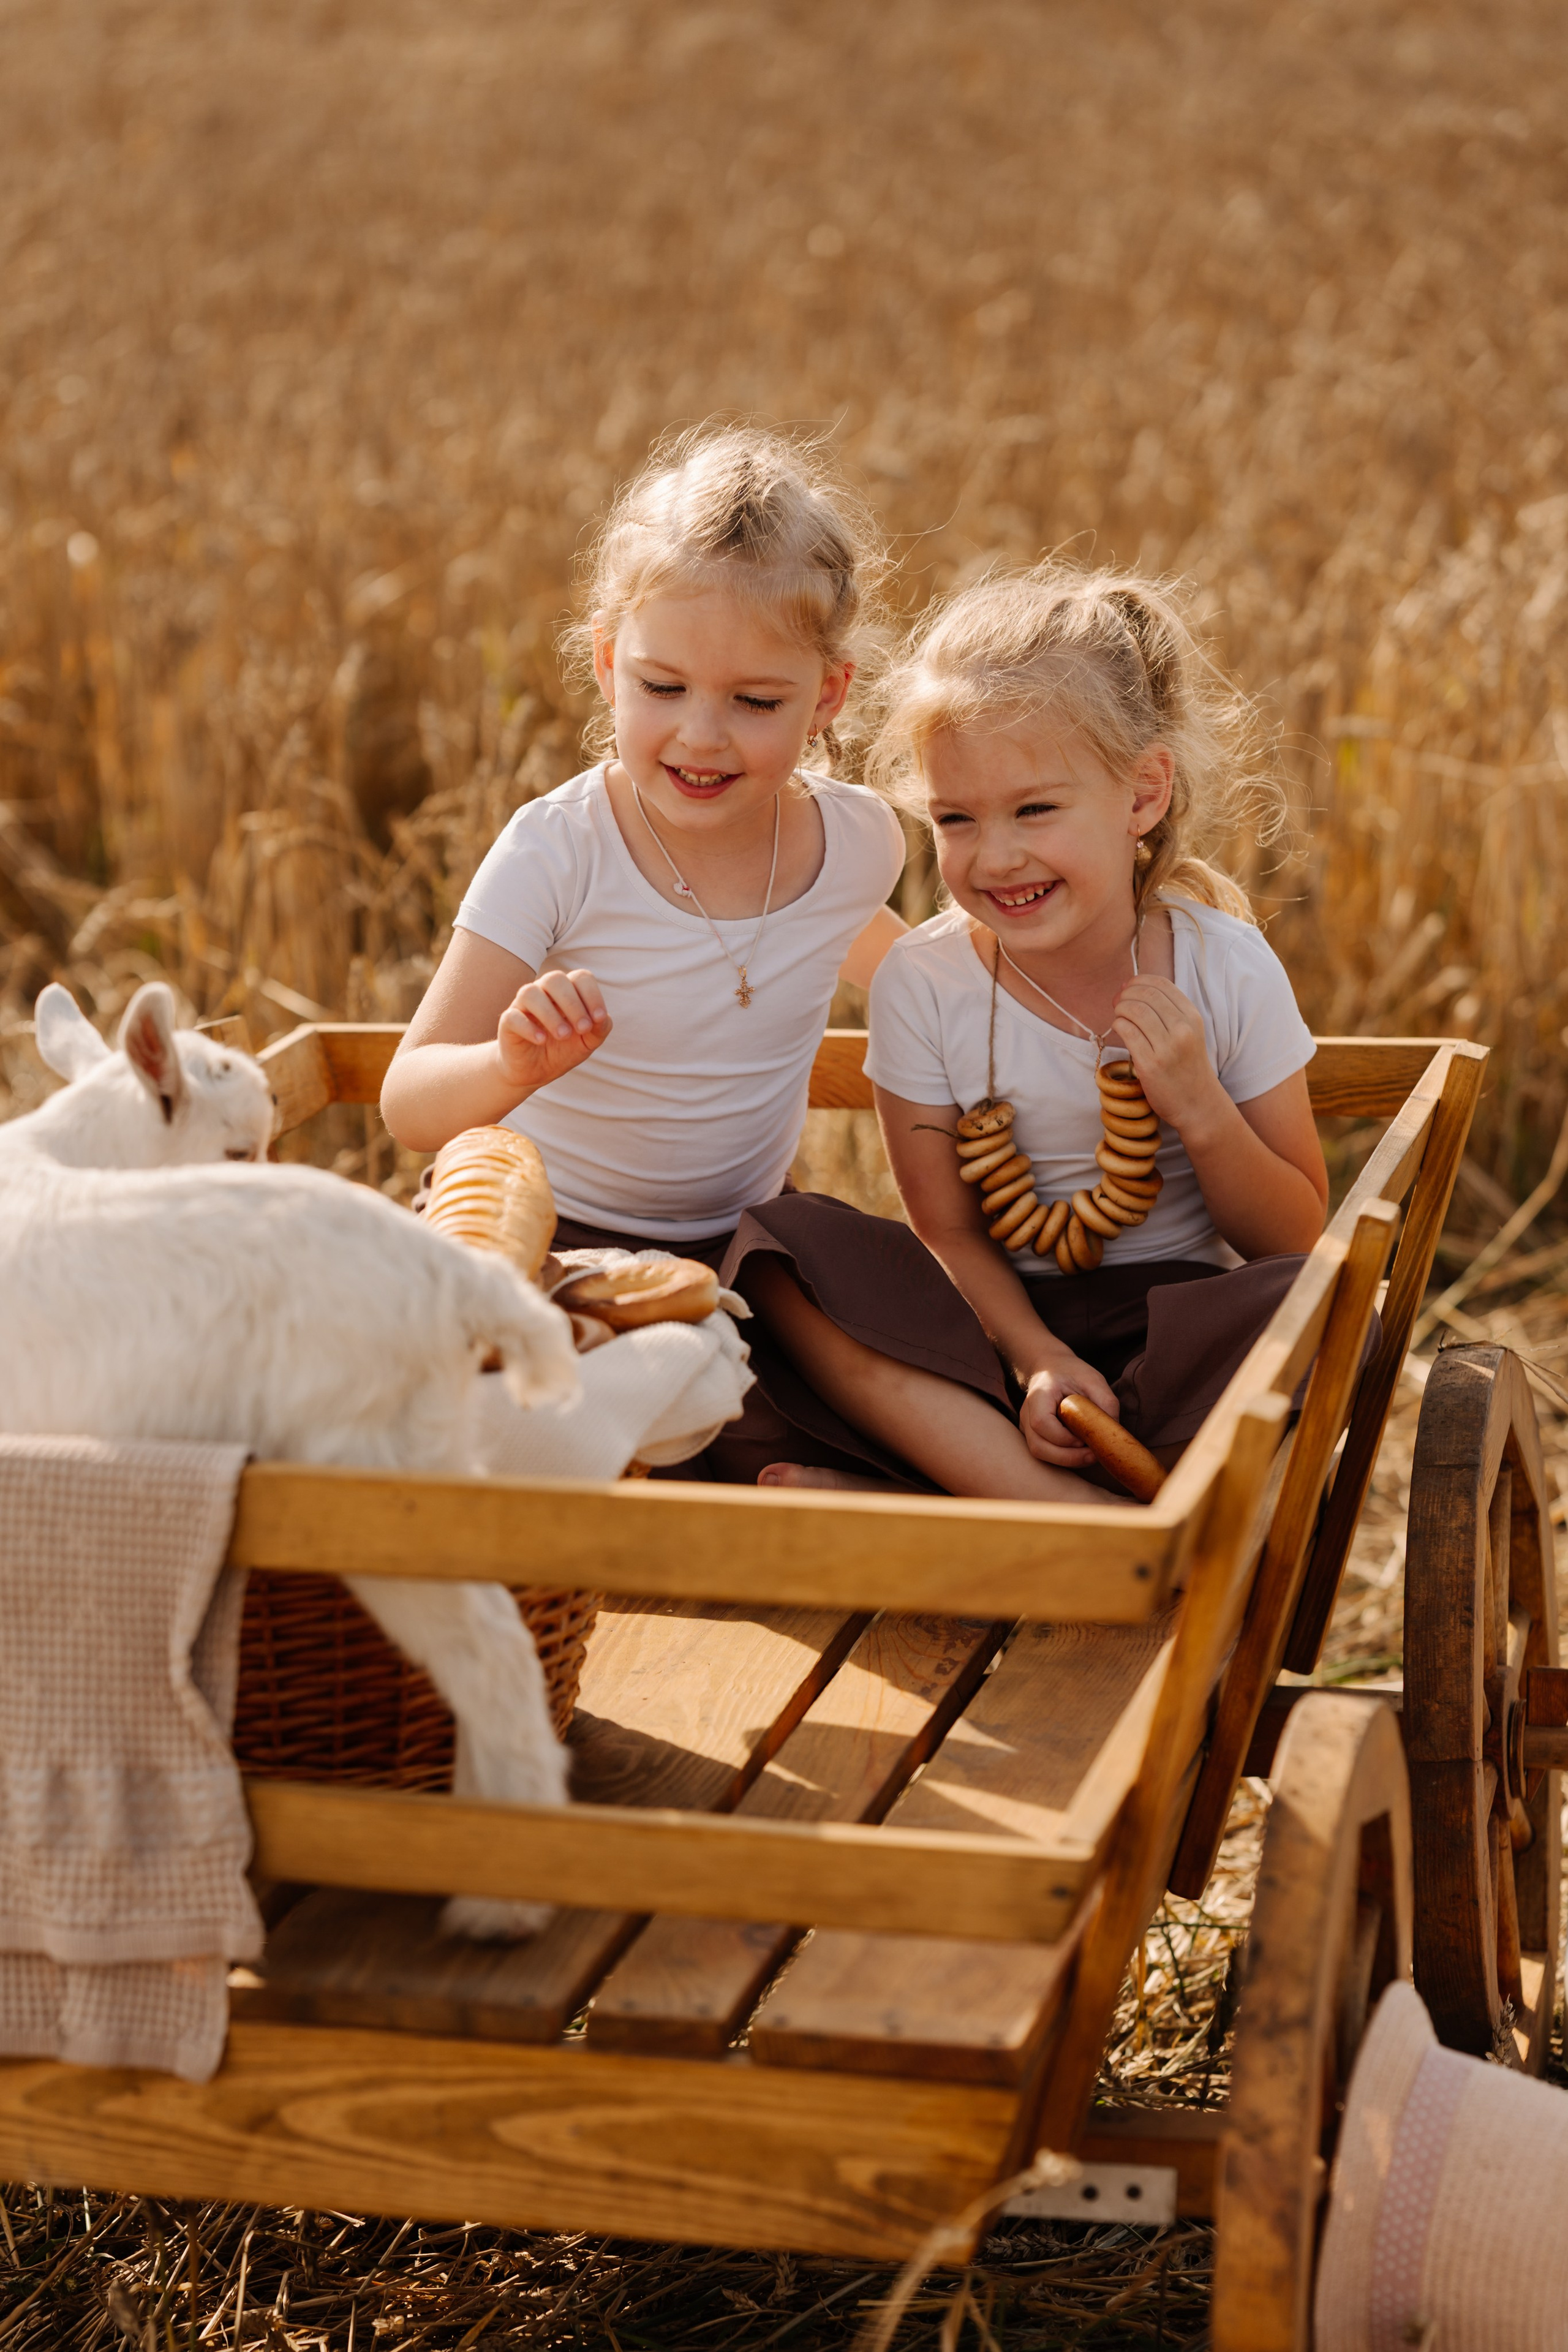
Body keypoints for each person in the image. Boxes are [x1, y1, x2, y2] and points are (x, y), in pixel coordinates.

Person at [380, 423, 918, 1476]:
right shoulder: (560, 850)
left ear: (829, 696)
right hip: (547, 1240)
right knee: (525, 1421)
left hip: (745, 1246)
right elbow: (409, 1102)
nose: (701, 736)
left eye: (755, 702)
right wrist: (511, 1065)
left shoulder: (856, 844)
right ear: (606, 663)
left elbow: (909, 971)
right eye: (662, 687)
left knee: (899, 1363)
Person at [736, 562, 1330, 1502]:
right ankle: (1074, 1502)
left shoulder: (1223, 966)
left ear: (1143, 795)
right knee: (777, 1244)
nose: (998, 856)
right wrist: (1038, 1360)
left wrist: (1200, 1109)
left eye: (1036, 809)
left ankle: (953, 1494)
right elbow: (946, 1228)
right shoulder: (925, 982)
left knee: (1317, 1306)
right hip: (989, 1331)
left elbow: (1293, 1235)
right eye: (956, 819)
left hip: (1177, 1329)